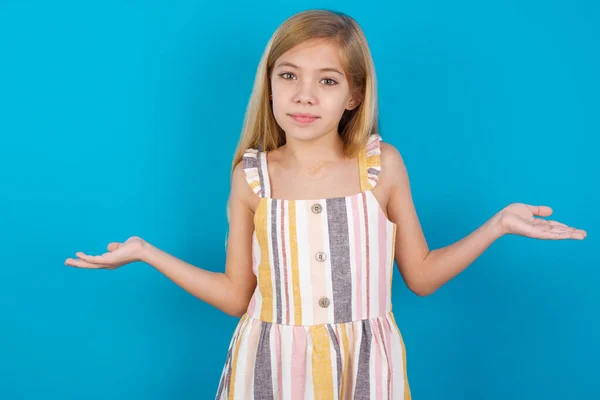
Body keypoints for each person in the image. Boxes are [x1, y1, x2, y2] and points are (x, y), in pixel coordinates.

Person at [64, 9, 587, 400]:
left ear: (354, 95)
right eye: (288, 75)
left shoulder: (383, 168)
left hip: (366, 370)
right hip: (268, 369)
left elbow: (422, 276)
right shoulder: (251, 178)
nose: (304, 95)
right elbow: (233, 295)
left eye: (328, 81)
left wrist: (496, 225)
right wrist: (145, 252)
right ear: (269, 86)